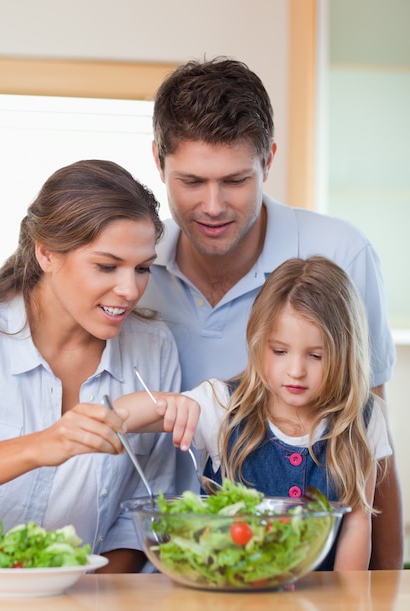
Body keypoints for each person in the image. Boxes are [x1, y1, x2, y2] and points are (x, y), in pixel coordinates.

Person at [139, 57, 403, 569]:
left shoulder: (340, 252)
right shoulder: (135, 270)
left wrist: (386, 593)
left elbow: (370, 437)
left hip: (310, 573)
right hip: (160, 564)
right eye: (191, 181)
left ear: (268, 161)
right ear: (158, 162)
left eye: (235, 180)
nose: (213, 206)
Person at [0, 159, 183, 575]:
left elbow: (141, 517)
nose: (130, 289)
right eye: (106, 266)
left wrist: (83, 605)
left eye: (142, 269)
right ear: (46, 253)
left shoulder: (154, 350)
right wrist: (40, 446)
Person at [119, 256, 392, 570]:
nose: (296, 371)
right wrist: (169, 403)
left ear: (345, 352)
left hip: (317, 604)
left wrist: (346, 607)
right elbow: (120, 416)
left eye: (316, 356)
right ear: (258, 342)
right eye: (279, 351)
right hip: (230, 599)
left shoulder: (363, 418)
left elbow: (358, 523)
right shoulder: (222, 403)